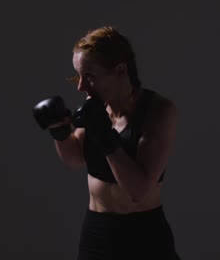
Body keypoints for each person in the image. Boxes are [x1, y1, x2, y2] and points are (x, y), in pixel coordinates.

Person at [33, 26, 180, 259]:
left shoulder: (159, 112)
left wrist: (104, 135)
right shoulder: (97, 107)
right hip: (98, 231)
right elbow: (75, 159)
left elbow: (138, 190)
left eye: (89, 76)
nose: (81, 86)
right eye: (77, 77)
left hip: (144, 235)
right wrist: (59, 132)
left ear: (121, 70)